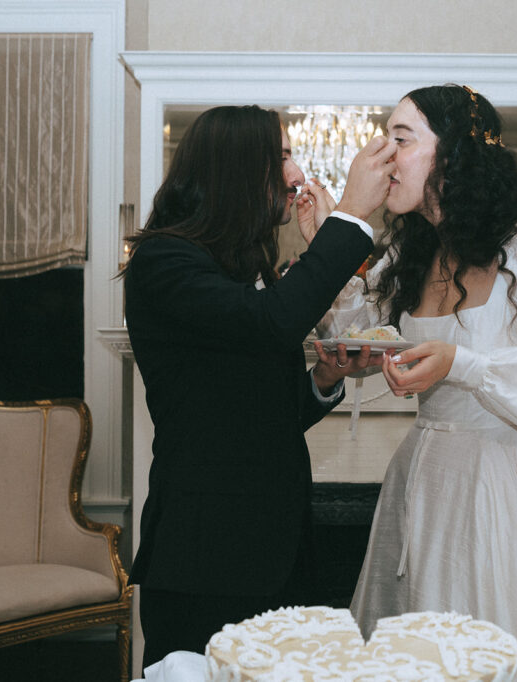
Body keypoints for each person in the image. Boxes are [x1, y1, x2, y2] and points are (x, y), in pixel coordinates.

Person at [313, 85, 517, 680]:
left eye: (402, 139)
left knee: (492, 648)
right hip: (423, 476)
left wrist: (465, 364)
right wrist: (325, 241)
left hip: (502, 482)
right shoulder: (417, 247)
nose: (383, 154)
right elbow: (363, 333)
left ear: (453, 154)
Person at [121, 104, 395, 670]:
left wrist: (322, 379)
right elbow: (274, 321)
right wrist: (352, 218)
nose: (296, 175)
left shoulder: (241, 264)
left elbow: (250, 413)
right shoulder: (165, 260)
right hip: (207, 552)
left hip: (278, 540)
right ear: (240, 169)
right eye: (285, 157)